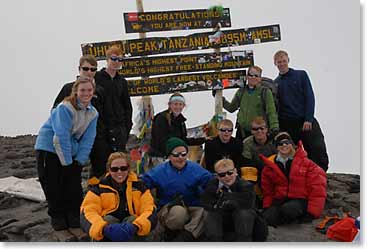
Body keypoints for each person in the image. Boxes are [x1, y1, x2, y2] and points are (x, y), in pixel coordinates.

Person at [35, 76, 98, 237]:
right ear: (76, 91)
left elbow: (88, 139)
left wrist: (79, 162)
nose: (86, 93)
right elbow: (60, 137)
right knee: (53, 185)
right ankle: (59, 223)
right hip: (49, 148)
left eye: (89, 90)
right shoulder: (65, 108)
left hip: (69, 150)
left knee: (73, 185)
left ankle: (74, 220)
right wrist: (67, 163)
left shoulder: (93, 113)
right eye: (82, 90)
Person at [141, 137, 213, 241]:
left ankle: (186, 237)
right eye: (176, 155)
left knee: (205, 212)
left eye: (184, 154)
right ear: (169, 156)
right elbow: (144, 182)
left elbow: (210, 180)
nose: (181, 158)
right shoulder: (160, 171)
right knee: (179, 213)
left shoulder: (194, 168)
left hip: (192, 205)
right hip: (170, 207)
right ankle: (169, 233)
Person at [80, 152, 157, 242]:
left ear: (128, 169)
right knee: (108, 219)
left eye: (123, 168)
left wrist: (135, 226)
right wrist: (104, 228)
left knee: (133, 219)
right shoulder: (99, 188)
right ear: (109, 170)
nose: (119, 172)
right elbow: (88, 211)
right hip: (107, 231)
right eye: (114, 169)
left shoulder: (139, 186)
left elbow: (149, 209)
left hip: (132, 231)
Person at [273, 50, 329, 172]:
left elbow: (310, 97)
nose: (281, 64)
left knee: (317, 148)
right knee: (293, 153)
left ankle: (321, 174)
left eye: (283, 61)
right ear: (275, 64)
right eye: (278, 62)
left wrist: (308, 118)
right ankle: (298, 176)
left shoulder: (301, 75)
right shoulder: (276, 83)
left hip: (305, 120)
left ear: (288, 60)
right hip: (288, 123)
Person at [259, 132, 327, 227]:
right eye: (280, 143)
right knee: (267, 218)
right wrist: (267, 207)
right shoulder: (269, 167)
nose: (284, 145)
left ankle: (290, 218)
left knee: (289, 210)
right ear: (276, 147)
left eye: (287, 142)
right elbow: (268, 191)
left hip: (300, 200)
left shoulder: (308, 164)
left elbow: (317, 190)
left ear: (292, 144)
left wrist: (312, 213)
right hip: (279, 200)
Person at [200, 159, 257, 241]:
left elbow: (248, 204)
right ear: (217, 176)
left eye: (230, 173)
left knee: (244, 213)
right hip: (221, 221)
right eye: (222, 175)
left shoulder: (246, 186)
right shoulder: (212, 185)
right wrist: (221, 204)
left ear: (235, 171)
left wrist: (226, 198)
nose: (227, 176)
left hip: (242, 224)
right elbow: (205, 202)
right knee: (210, 213)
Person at [218, 65, 279, 141]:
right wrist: (220, 98)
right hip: (242, 132)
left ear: (260, 78)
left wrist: (275, 128)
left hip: (258, 132)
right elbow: (232, 108)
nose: (253, 77)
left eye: (256, 75)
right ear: (247, 77)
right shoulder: (242, 91)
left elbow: (271, 111)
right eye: (251, 75)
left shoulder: (265, 92)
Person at [150, 93, 206, 166]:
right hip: (161, 156)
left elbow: (183, 140)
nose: (178, 107)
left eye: (180, 104)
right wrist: (173, 152)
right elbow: (160, 140)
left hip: (176, 155)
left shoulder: (181, 121)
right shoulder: (162, 118)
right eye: (175, 104)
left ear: (183, 106)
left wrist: (204, 139)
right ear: (170, 105)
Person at [242, 117, 277, 185]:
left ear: (266, 129)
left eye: (262, 128)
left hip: (272, 169)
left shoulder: (274, 141)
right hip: (254, 170)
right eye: (255, 129)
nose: (259, 131)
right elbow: (247, 162)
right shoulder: (247, 143)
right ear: (251, 131)